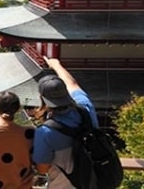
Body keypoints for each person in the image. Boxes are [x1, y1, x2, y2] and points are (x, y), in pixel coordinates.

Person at [32, 57, 98, 189]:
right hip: (94, 181)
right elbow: (72, 84)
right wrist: (56, 65)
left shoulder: (45, 132)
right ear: (66, 93)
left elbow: (42, 168)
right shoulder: (85, 108)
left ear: (43, 99)